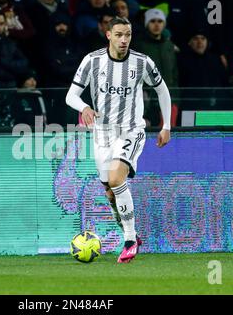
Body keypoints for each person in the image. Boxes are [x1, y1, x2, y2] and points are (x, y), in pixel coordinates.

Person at [65, 17, 171, 263]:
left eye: (128, 35)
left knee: (115, 177)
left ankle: (130, 241)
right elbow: (71, 95)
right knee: (110, 190)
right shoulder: (92, 61)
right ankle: (130, 232)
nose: (124, 40)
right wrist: (84, 108)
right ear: (109, 35)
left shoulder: (142, 62)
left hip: (131, 129)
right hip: (102, 133)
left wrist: (166, 125)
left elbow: (162, 90)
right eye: (120, 35)